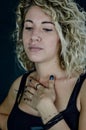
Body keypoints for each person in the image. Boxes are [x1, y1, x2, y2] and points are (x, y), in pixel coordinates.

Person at [0, 0, 86, 130]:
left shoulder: (83, 88)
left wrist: (46, 108)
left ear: (64, 35)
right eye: (28, 27)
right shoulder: (21, 84)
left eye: (46, 29)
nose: (34, 36)